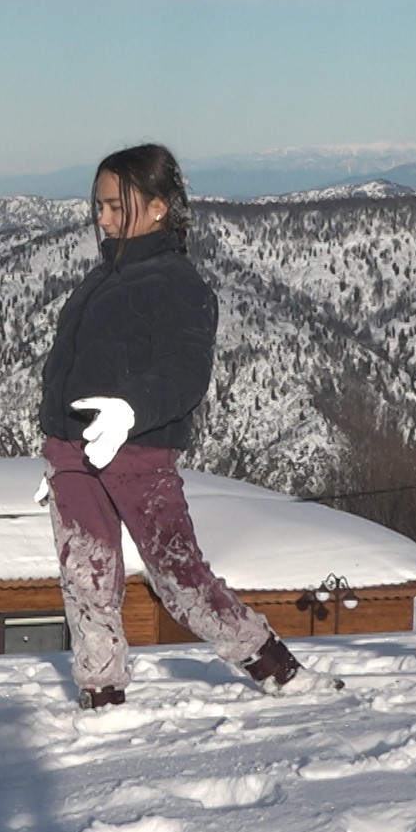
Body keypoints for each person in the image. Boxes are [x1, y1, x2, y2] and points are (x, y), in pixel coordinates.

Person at [38, 143, 340, 709]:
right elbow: (66, 364)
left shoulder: (179, 284)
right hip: (72, 453)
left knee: (179, 578)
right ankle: (100, 694)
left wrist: (130, 409)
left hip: (138, 453)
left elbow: (186, 372)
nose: (100, 219)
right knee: (86, 579)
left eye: (113, 206)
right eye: (97, 206)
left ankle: (275, 666)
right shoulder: (99, 279)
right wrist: (57, 446)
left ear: (157, 207)